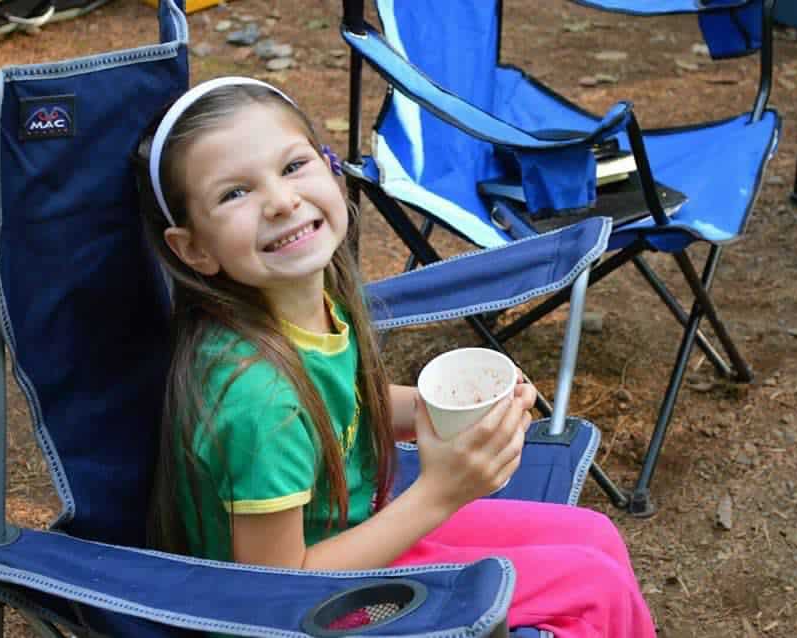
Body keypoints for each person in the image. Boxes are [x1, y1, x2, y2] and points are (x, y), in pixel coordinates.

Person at [136, 76, 656, 637]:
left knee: (593, 536)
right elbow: (277, 587)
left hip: (362, 536)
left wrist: (457, 411)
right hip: (326, 610)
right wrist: (440, 493)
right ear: (194, 250)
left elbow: (340, 409)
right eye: (234, 193)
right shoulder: (259, 402)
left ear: (331, 170)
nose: (282, 201)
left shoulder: (308, 304)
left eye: (293, 167)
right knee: (591, 590)